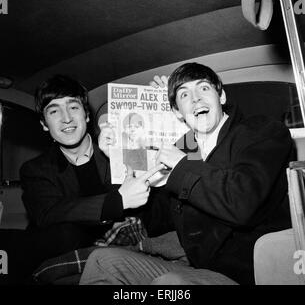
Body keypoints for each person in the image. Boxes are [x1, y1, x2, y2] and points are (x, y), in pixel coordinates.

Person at [79, 63, 295, 285]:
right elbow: (157, 223)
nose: (195, 99)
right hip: (200, 269)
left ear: (221, 96)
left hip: (250, 273)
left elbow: (242, 202)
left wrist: (180, 164)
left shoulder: (260, 131)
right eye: (184, 94)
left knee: (170, 284)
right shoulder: (186, 148)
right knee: (101, 261)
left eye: (203, 88)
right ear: (177, 112)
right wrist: (119, 161)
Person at [18, 74, 162, 281]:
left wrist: (169, 107)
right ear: (43, 124)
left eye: (73, 107)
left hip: (126, 248)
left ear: (86, 115)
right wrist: (116, 201)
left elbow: (157, 175)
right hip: (70, 251)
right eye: (54, 111)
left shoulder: (118, 146)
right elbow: (49, 213)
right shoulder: (35, 169)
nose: (66, 118)